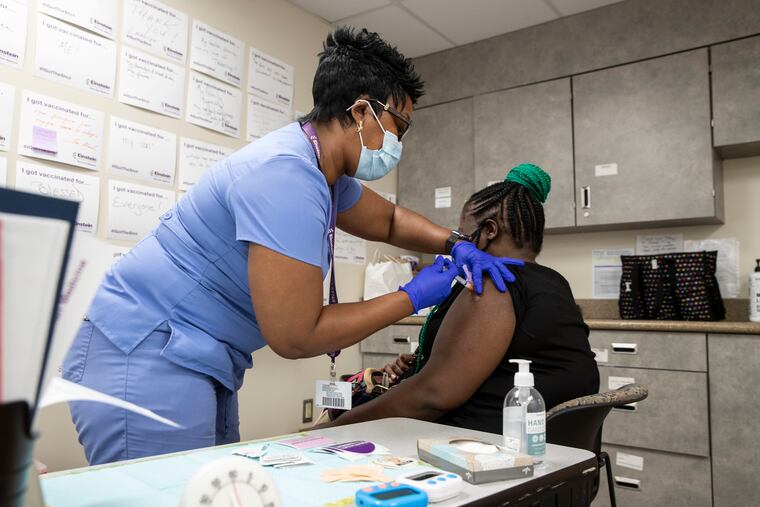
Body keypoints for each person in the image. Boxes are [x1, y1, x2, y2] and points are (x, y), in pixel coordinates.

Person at [63, 27, 523, 465]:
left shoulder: (321, 171)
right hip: (143, 353)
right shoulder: (286, 176)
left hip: (196, 357)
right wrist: (412, 296)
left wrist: (455, 241)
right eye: (399, 126)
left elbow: (387, 219)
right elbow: (297, 335)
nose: (400, 143)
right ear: (362, 112)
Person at [325, 164, 600, 434]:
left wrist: (333, 430)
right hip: (539, 449)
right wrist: (426, 359)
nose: (456, 244)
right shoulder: (554, 282)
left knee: (334, 421)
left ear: (489, 230)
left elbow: (431, 396)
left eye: (463, 236)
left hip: (475, 449)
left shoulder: (492, 281)